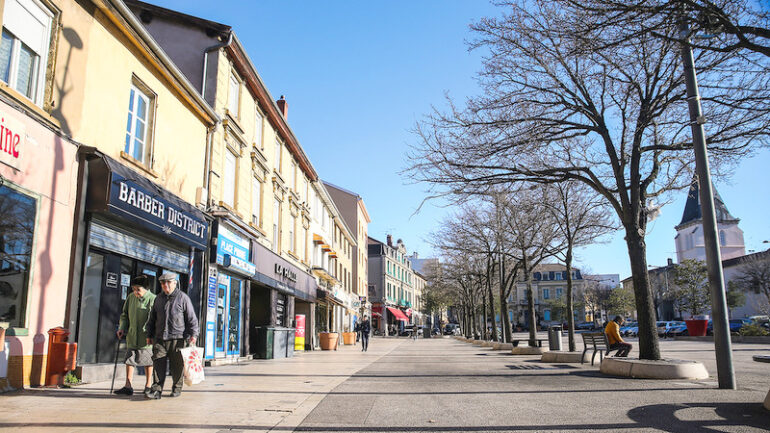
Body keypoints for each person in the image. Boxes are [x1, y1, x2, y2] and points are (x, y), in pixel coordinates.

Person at [145, 272, 198, 399]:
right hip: (160, 338)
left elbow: (191, 319)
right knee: (158, 363)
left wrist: (193, 335)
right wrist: (149, 334)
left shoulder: (183, 298)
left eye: (168, 282)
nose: (165, 285)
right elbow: (152, 318)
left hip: (178, 338)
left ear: (175, 283)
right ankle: (156, 390)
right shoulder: (158, 299)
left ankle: (176, 388)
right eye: (163, 283)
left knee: (177, 366)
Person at [114, 275, 156, 396]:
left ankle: (148, 385)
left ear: (146, 289)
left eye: (138, 289)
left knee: (148, 361)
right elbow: (124, 315)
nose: (136, 292)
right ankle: (128, 385)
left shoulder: (153, 299)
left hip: (147, 337)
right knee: (130, 360)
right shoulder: (131, 298)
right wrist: (122, 327)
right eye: (134, 289)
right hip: (133, 335)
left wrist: (152, 333)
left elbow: (156, 319)